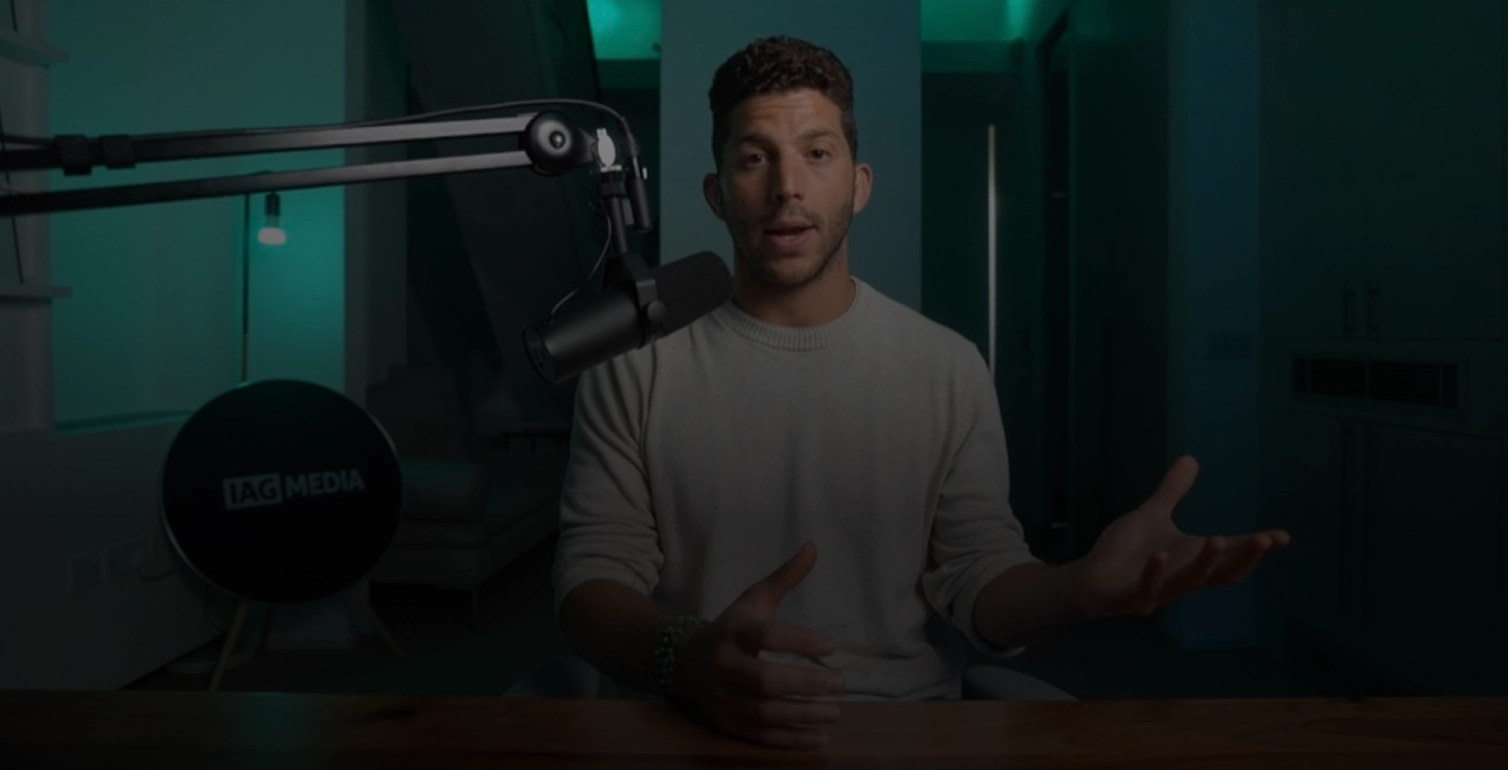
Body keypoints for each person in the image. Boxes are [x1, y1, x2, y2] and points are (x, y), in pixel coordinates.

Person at [550, 35, 1291, 750]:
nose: (787, 187)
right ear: (717, 194)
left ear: (859, 184)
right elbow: (592, 577)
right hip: (689, 723)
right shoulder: (635, 365)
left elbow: (977, 572)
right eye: (754, 159)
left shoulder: (947, 368)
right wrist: (687, 657)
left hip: (895, 730)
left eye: (817, 154)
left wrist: (1079, 589)